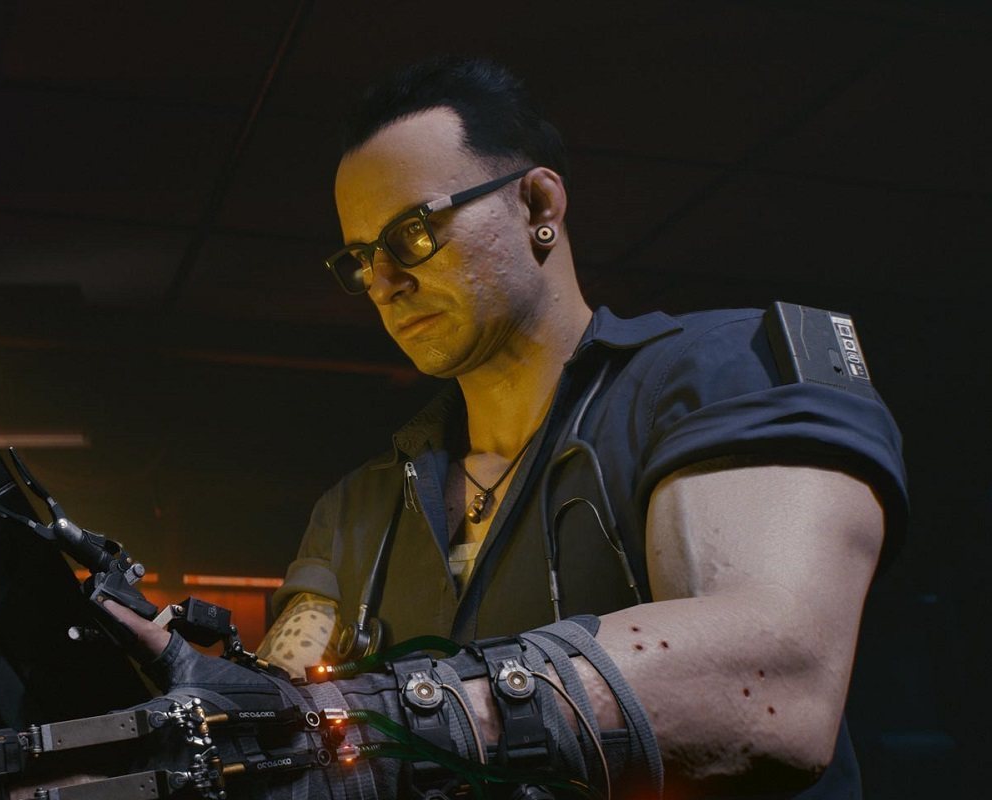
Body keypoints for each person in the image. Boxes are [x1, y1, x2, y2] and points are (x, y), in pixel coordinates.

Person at [235, 56, 907, 798]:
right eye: (362, 260)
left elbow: (772, 687)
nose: (385, 284)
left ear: (538, 204)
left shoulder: (722, 371)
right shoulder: (356, 510)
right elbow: (273, 723)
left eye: (413, 234)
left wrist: (390, 718)